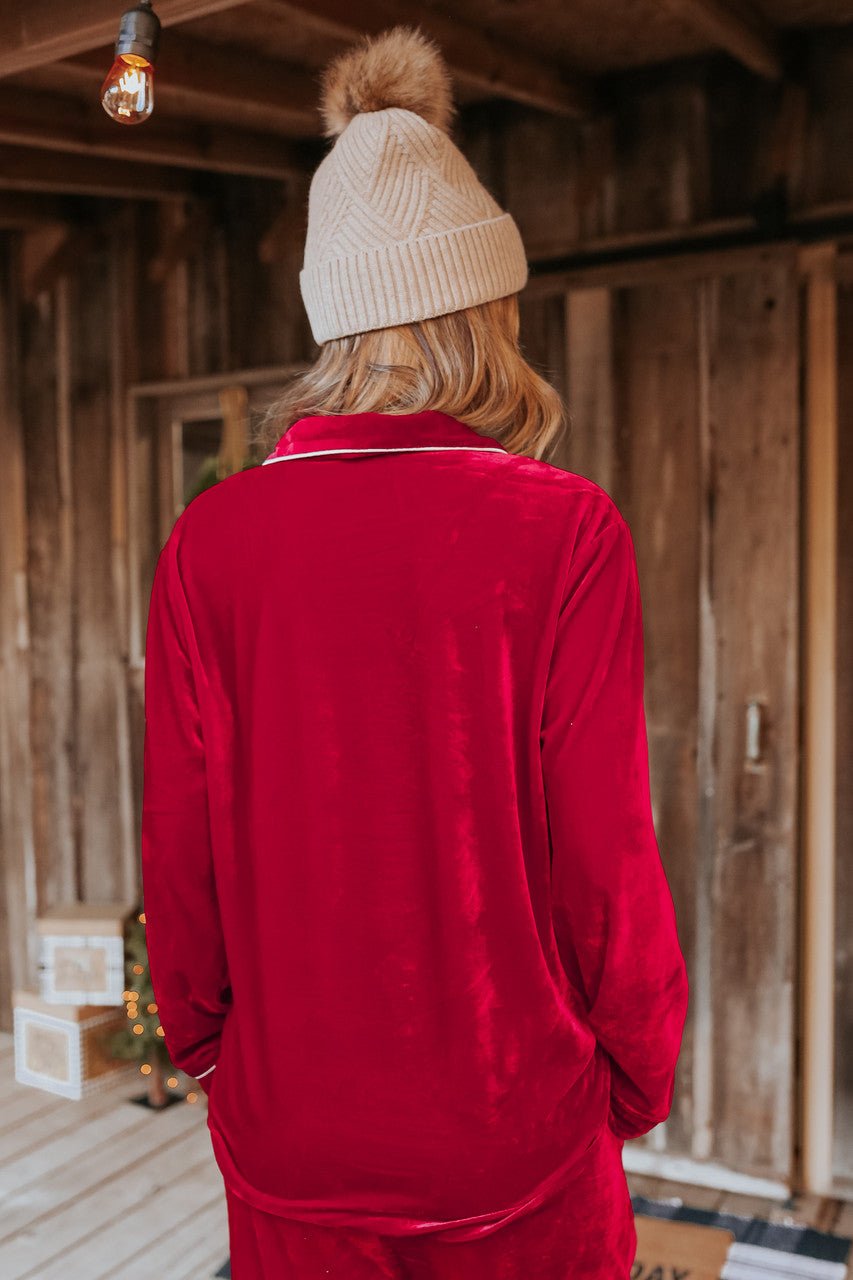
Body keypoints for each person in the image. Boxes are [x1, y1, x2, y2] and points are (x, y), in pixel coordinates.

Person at [140, 23, 690, 1280]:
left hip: (292, 1137)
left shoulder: (211, 540)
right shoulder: (560, 528)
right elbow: (603, 857)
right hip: (514, 1141)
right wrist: (637, 1070)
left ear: (339, 321)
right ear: (487, 306)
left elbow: (182, 838)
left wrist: (208, 1045)